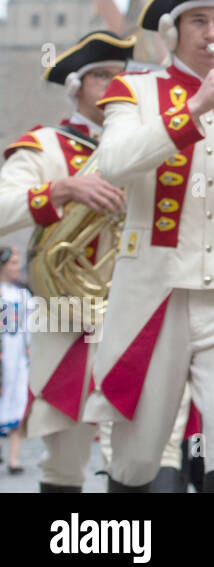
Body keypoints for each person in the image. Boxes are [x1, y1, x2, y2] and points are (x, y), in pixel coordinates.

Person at [88, 0, 214, 492]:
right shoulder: (135, 90)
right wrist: (192, 109)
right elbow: (116, 161)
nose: (211, 33)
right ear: (173, 31)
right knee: (137, 455)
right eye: (198, 21)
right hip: (155, 295)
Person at [0, 31, 134, 490]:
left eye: (121, 76)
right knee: (65, 455)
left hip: (135, 309)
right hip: (66, 314)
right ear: (75, 86)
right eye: (101, 76)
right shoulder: (46, 146)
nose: (114, 85)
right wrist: (59, 189)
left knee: (137, 453)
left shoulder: (142, 146)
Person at [1, 247, 32, 473]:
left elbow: (31, 327)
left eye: (18, 262)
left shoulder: (24, 294)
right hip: (2, 355)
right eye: (12, 262)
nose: (16, 267)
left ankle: (13, 459)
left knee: (19, 400)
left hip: (18, 356)